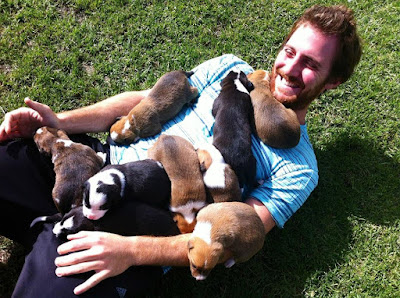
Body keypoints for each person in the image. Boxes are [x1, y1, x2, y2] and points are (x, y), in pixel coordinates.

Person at [0, 4, 362, 297]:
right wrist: (58, 120)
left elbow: (224, 240)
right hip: (92, 161)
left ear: (333, 81)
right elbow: (145, 102)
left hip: (133, 229)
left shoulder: (300, 169)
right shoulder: (229, 67)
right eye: (290, 51)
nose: (290, 68)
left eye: (311, 64)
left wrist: (130, 253)